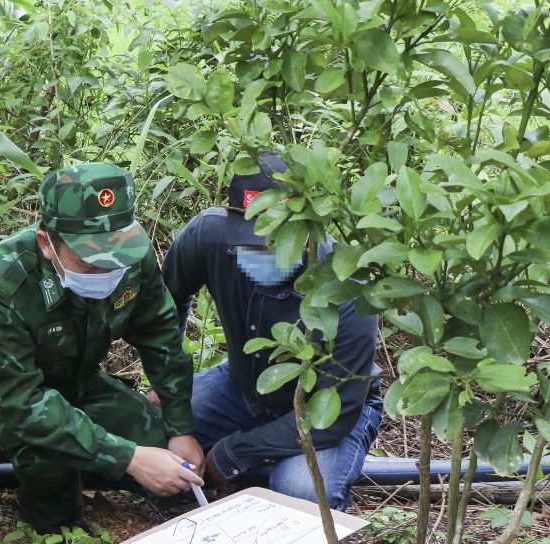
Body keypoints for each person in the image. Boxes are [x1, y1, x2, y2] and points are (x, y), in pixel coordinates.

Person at [0, 162, 203, 534]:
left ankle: (91, 457)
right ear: (47, 243)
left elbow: (160, 335)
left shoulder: (129, 253)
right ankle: (47, 507)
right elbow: (24, 405)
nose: (108, 273)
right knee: (51, 467)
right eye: (89, 262)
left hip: (79, 382)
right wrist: (128, 457)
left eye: (116, 259)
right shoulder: (1, 282)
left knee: (165, 457)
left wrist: (181, 428)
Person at [160, 152, 384, 511]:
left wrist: (231, 454)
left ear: (308, 229)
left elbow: (335, 414)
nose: (260, 251)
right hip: (241, 386)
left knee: (300, 492)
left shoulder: (346, 282)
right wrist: (170, 390)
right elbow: (164, 308)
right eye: (249, 240)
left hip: (323, 407)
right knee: (152, 431)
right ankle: (252, 472)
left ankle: (266, 474)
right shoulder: (208, 234)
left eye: (277, 242)